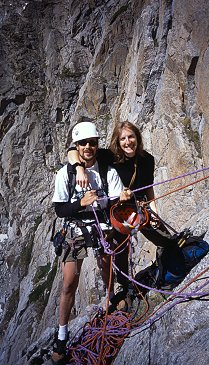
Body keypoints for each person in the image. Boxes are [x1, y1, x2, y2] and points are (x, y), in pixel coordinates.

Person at [68, 121, 187, 294]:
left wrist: (154, 212)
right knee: (121, 251)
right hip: (117, 211)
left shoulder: (147, 160)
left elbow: (148, 188)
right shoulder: (110, 156)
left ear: (137, 138)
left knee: (165, 239)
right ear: (117, 142)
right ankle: (124, 287)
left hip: (140, 209)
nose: (127, 142)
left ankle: (172, 272)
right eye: (123, 138)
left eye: (131, 137)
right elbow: (72, 152)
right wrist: (79, 169)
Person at [51, 121, 131, 365]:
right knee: (68, 284)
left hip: (101, 226)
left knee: (107, 267)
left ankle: (109, 300)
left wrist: (125, 198)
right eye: (83, 143)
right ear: (76, 145)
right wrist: (81, 204)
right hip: (75, 228)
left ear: (97, 144)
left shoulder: (107, 171)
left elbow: (117, 201)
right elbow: (59, 210)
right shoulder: (66, 173)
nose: (88, 147)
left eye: (92, 143)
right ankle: (62, 337)